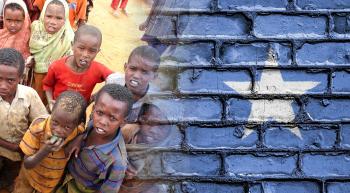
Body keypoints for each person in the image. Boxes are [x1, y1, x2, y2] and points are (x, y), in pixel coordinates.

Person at [56, 84, 133, 193]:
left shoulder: (116, 162)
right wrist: (80, 137)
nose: (102, 122)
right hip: (64, 176)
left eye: (112, 118)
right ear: (93, 109)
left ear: (123, 122)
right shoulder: (92, 123)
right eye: (100, 113)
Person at [13, 90, 87, 193]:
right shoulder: (38, 128)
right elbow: (27, 163)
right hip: (29, 177)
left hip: (51, 182)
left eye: (67, 127)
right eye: (55, 122)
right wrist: (45, 150)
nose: (58, 130)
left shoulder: (78, 131)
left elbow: (85, 130)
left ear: (77, 124)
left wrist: (79, 138)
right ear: (51, 108)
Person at [0, 48, 47, 191]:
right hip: (8, 148)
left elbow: (41, 122)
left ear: (21, 77)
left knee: (11, 173)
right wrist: (12, 146)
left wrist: (25, 147)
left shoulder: (29, 95)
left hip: (19, 153)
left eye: (10, 80)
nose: (3, 85)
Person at [43, 24, 113, 111]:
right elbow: (47, 86)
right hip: (56, 111)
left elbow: (116, 80)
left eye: (92, 51)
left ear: (97, 52)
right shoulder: (56, 67)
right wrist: (50, 102)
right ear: (72, 45)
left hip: (79, 115)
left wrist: (97, 96)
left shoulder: (98, 69)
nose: (85, 55)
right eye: (81, 48)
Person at [29, 0, 74, 105]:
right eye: (48, 16)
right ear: (43, 14)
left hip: (53, 82)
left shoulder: (68, 37)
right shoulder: (35, 28)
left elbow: (69, 64)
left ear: (65, 19)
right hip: (32, 78)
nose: (52, 22)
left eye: (59, 18)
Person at [106, 45, 160, 122]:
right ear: (125, 67)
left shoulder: (156, 101)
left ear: (154, 76)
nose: (136, 76)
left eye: (144, 72)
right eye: (132, 68)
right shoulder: (113, 82)